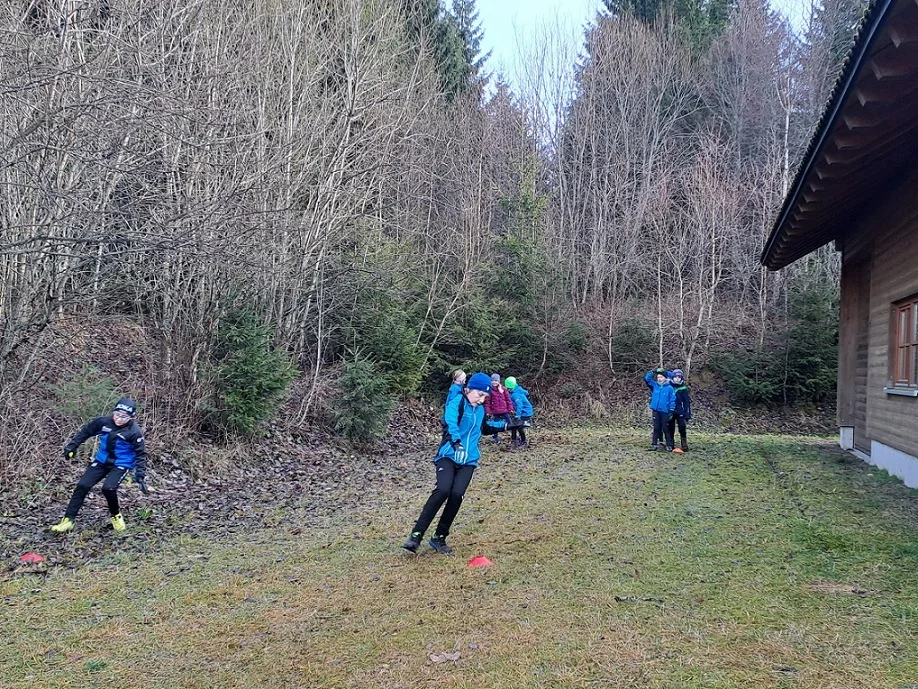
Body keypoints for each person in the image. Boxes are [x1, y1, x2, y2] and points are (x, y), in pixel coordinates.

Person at [403, 373, 517, 555]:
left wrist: (507, 426)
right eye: (479, 395)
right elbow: (450, 422)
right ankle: (416, 535)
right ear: (468, 389)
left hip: (468, 461)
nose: (481, 400)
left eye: (485, 397)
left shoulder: (479, 410)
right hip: (448, 456)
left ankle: (439, 537)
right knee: (442, 490)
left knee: (456, 495)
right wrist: (456, 442)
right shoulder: (458, 401)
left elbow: (484, 428)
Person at [50, 397, 148, 533]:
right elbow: (85, 432)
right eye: (117, 415)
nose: (119, 419)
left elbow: (141, 454)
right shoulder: (103, 422)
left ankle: (116, 516)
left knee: (108, 488)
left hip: (122, 463)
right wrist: (72, 447)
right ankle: (68, 520)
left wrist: (140, 475)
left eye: (123, 417)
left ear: (131, 418)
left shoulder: (134, 431)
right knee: (82, 485)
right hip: (102, 461)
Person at [643, 368, 676, 451]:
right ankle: (654, 444)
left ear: (665, 378)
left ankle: (669, 445)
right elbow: (647, 379)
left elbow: (672, 400)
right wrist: (652, 372)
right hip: (656, 410)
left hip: (665, 411)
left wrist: (671, 411)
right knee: (656, 428)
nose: (659, 379)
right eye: (658, 377)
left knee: (665, 428)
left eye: (661, 377)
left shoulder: (670, 388)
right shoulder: (655, 385)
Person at [484, 373, 514, 444]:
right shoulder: (490, 390)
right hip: (495, 411)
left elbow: (508, 399)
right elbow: (487, 402)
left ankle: (514, 435)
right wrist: (488, 411)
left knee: (510, 423)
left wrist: (510, 408)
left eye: (496, 380)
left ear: (499, 381)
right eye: (492, 380)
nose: (494, 382)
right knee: (495, 425)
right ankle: (495, 437)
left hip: (504, 410)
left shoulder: (503, 389)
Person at [504, 376, 533, 449]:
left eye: (507, 388)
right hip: (523, 411)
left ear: (510, 388)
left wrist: (518, 416)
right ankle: (514, 440)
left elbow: (520, 405)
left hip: (525, 412)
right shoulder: (518, 388)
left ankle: (524, 442)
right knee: (513, 425)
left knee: (519, 427)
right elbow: (526, 393)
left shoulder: (515, 394)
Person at [667, 369, 692, 453]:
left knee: (682, 427)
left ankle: (684, 444)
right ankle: (670, 444)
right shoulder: (668, 386)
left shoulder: (683, 388)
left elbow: (686, 402)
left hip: (680, 411)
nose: (677, 379)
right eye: (675, 377)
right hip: (670, 410)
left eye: (679, 377)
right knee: (670, 428)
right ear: (672, 377)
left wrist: (687, 413)